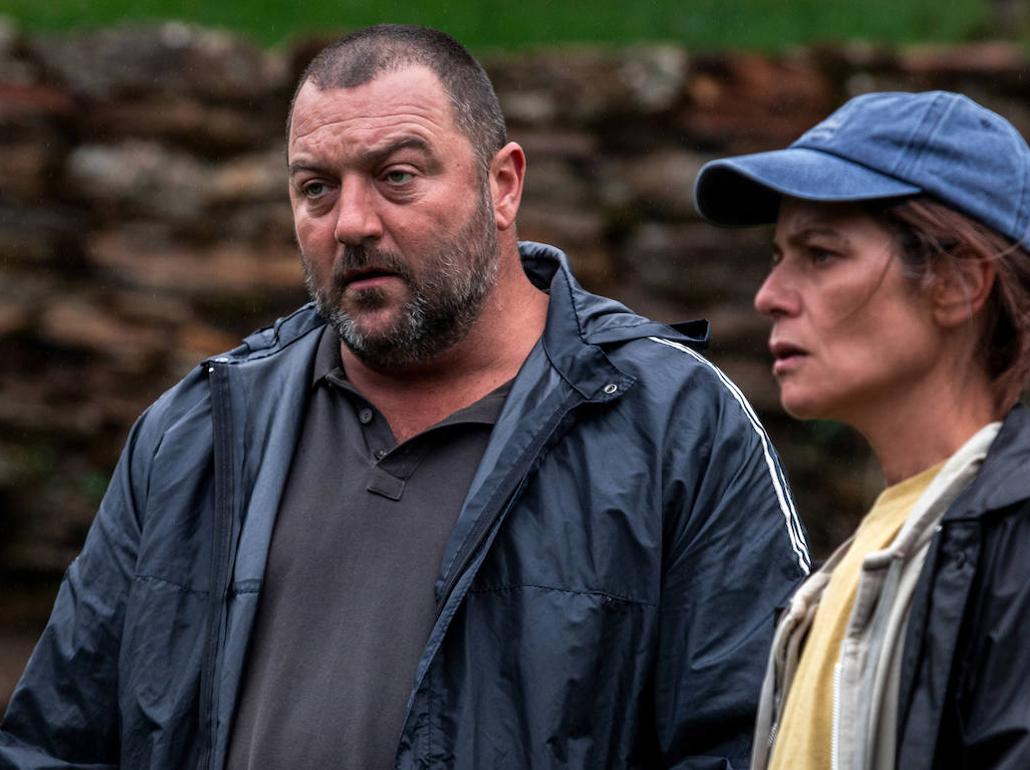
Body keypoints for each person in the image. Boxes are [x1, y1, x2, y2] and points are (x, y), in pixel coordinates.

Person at [0, 25, 810, 770]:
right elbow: (54, 745)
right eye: (317, 189)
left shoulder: (674, 426)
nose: (351, 222)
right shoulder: (197, 431)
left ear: (503, 185)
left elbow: (757, 744)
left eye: (396, 176)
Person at [694, 90, 1030, 768]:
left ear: (957, 284)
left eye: (821, 254)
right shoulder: (868, 560)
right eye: (778, 255)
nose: (768, 295)